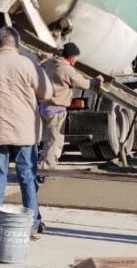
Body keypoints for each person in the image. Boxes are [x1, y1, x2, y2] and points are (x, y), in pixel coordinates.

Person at [0, 26, 54, 235]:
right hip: (25, 131)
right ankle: (32, 223)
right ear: (17, 43)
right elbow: (47, 92)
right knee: (27, 176)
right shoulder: (28, 65)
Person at [39, 42, 102, 171]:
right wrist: (96, 81)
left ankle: (42, 166)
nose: (75, 63)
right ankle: (45, 171)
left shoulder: (50, 63)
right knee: (55, 142)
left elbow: (42, 64)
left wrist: (43, 56)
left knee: (48, 140)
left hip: (45, 107)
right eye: (75, 60)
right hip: (56, 110)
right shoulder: (65, 69)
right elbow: (84, 84)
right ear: (70, 57)